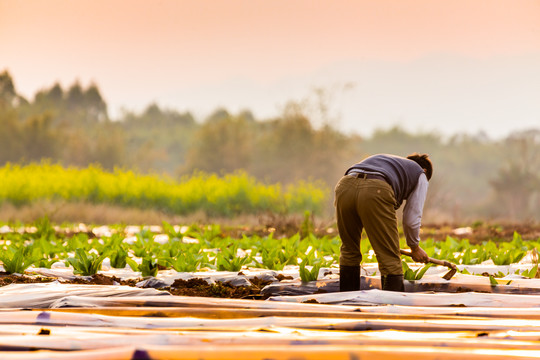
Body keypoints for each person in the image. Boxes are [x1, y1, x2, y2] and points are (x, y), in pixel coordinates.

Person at [334, 153, 432, 292]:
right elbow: (411, 218)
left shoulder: (391, 163)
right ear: (425, 171)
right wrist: (414, 247)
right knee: (390, 258)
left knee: (349, 251)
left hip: (345, 186)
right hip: (376, 189)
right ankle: (392, 307)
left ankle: (346, 301)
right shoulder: (420, 174)